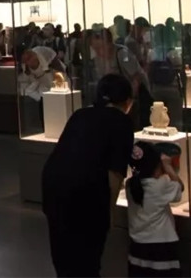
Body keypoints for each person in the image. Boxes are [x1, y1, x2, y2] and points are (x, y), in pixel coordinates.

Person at [42, 73, 135, 277]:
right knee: (87, 261)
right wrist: (109, 212)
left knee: (63, 258)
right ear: (128, 101)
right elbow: (115, 173)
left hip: (53, 185)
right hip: (86, 192)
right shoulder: (122, 122)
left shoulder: (80, 114)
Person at [126, 142, 184, 277]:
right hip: (161, 247)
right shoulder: (160, 185)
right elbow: (180, 187)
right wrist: (168, 167)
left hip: (137, 246)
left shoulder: (130, 186)